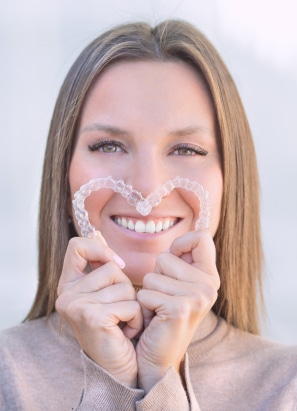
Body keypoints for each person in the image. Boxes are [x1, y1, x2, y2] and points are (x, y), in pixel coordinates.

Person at [0, 19, 296, 411]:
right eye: (108, 145)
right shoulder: (8, 377)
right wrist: (110, 383)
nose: (145, 185)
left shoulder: (286, 387)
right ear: (64, 170)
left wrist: (160, 375)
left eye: (187, 149)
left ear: (230, 180)